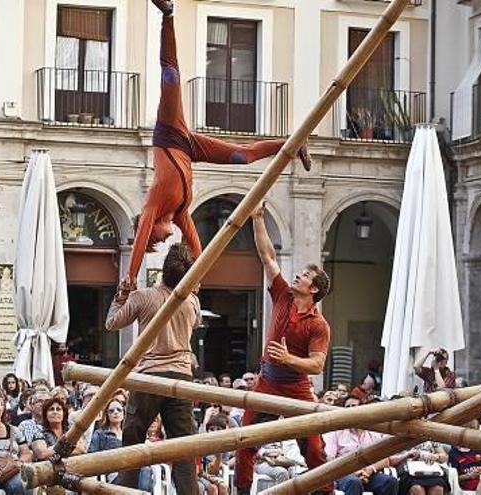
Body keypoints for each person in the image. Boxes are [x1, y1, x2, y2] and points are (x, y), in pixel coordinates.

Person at [123, 0, 311, 288]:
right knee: (243, 157)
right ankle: (292, 143)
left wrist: (130, 278)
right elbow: (196, 244)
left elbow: (139, 239)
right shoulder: (181, 210)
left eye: (156, 241)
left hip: (170, 134)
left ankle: (168, 15)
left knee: (170, 77)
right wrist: (197, 279)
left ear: (148, 230)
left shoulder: (155, 202)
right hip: (189, 148)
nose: (164, 239)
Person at [234, 202, 333, 494]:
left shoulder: (319, 324)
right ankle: (242, 491)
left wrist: (289, 358)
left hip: (297, 388)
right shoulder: (283, 295)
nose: (297, 275)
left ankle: (326, 491)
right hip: (267, 381)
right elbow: (267, 256)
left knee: (314, 451)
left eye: (304, 275)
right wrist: (258, 217)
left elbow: (317, 365)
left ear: (313, 289)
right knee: (245, 443)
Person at [106, 242, 201, 494]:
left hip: (150, 375)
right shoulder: (192, 301)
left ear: (163, 270)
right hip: (181, 376)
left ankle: (124, 492)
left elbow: (111, 323)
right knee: (183, 448)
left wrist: (121, 297)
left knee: (132, 440)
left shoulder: (145, 296)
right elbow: (195, 323)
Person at [323, 397, 401, 495]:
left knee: (390, 482)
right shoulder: (337, 432)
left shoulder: (373, 432)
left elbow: (385, 459)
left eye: (354, 406)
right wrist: (354, 472)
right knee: (354, 482)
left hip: (368, 473)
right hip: (344, 473)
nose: (351, 409)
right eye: (347, 407)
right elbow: (330, 459)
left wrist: (370, 470)